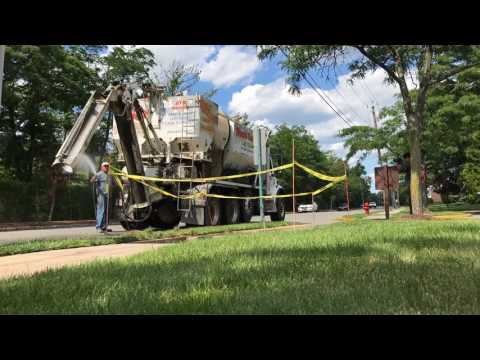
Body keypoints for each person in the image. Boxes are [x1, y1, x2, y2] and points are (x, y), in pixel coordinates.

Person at [90, 162, 111, 233]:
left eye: (107, 166)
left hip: (107, 195)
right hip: (101, 195)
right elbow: (92, 180)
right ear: (102, 167)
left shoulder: (108, 175)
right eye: (105, 166)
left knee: (106, 211)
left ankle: (104, 227)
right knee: (101, 210)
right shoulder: (99, 174)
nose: (106, 167)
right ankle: (98, 227)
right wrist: (94, 178)